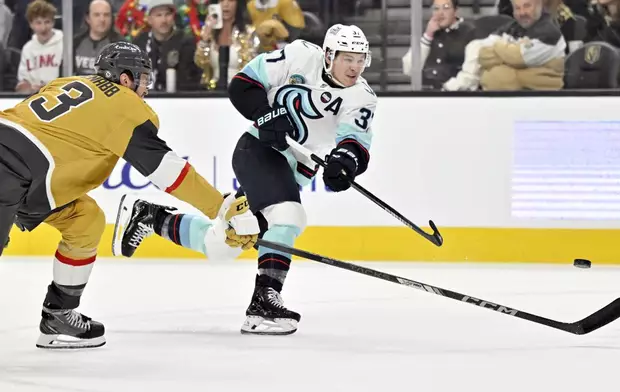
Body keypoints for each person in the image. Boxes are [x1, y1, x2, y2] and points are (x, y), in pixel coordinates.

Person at [112, 24, 377, 336]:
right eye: (348, 58)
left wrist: (344, 165)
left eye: (361, 59)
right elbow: (243, 85)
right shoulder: (300, 55)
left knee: (223, 244)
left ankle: (150, 217)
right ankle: (263, 304)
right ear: (329, 55)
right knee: (289, 215)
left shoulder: (362, 97)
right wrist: (267, 116)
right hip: (259, 150)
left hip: (298, 167)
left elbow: (354, 144)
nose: (355, 67)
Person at [0, 41, 259, 349]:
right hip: (11, 169)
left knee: (85, 220)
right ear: (125, 79)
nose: (146, 87)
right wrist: (221, 207)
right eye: (143, 78)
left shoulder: (69, 82)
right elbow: (170, 173)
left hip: (23, 171)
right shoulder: (125, 106)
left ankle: (59, 315)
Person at [15, 0, 63, 94]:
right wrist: (28, 87)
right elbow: (23, 83)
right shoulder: (27, 49)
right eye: (38, 23)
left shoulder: (64, 44)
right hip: (34, 98)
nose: (43, 28)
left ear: (53, 22)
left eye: (47, 22)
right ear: (31, 24)